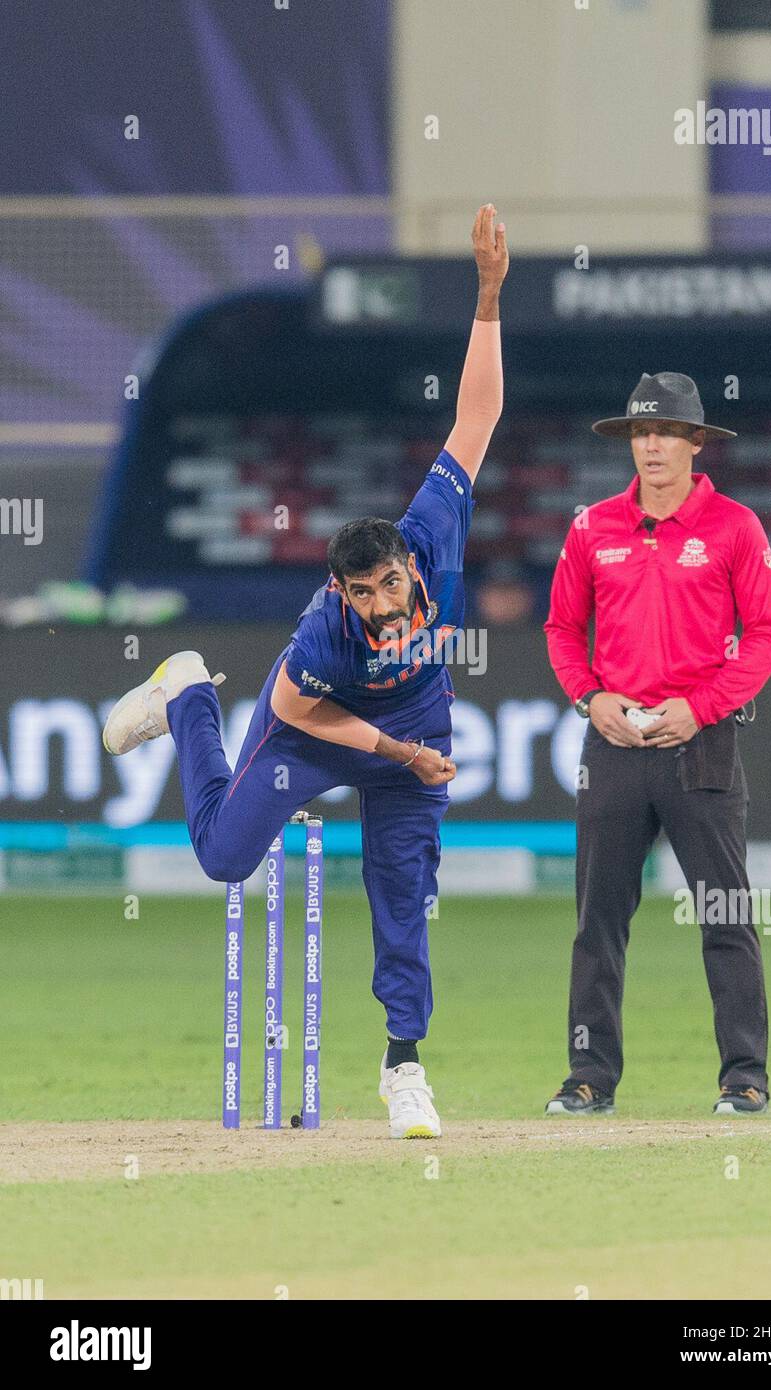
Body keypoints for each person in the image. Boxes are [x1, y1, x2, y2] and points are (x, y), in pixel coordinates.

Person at [102, 204, 509, 1140]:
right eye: (361, 591)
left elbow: (477, 412)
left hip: (412, 740)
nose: (380, 601)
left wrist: (486, 295)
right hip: (314, 734)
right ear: (340, 588)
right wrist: (396, 753)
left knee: (402, 896)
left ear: (408, 567)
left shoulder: (431, 532)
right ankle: (189, 691)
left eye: (387, 585)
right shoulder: (324, 632)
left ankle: (404, 1065)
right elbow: (299, 709)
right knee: (223, 857)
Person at [543, 372, 771, 1118]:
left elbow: (766, 637)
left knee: (724, 916)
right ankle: (588, 1079)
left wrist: (702, 706)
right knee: (598, 922)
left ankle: (743, 1078)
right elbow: (559, 630)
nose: (650, 445)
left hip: (700, 746)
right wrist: (590, 698)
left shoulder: (735, 527)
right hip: (612, 745)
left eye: (665, 433)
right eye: (640, 433)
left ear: (694, 443)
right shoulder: (591, 527)